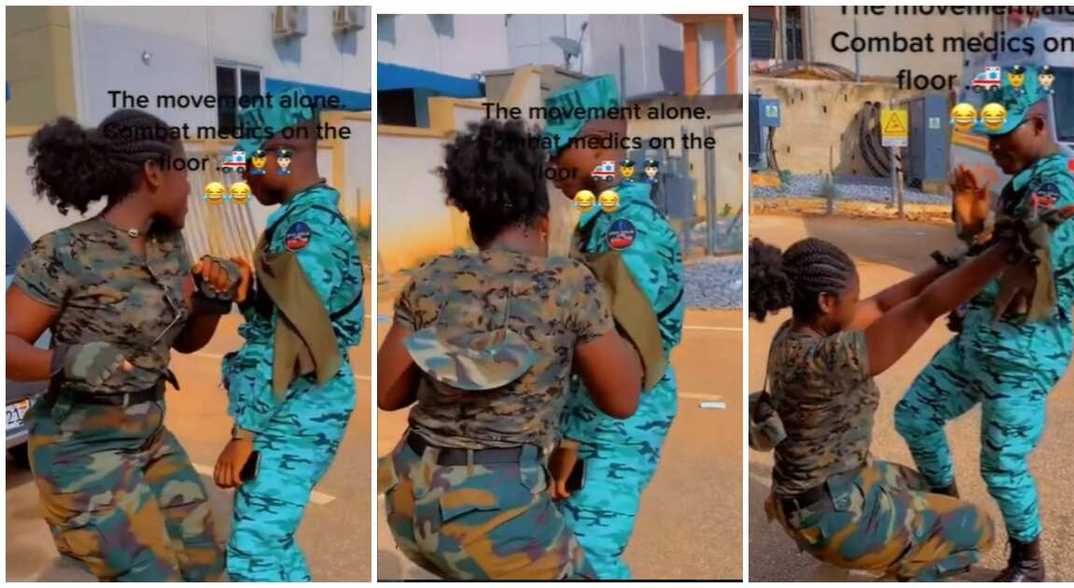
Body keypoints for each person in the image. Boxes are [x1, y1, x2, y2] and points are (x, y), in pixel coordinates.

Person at [746, 220, 1074, 580]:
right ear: (826, 302)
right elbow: (925, 308)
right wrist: (1005, 252)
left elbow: (883, 304)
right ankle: (863, 556)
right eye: (852, 298)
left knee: (923, 487)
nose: (858, 303)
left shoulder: (792, 335)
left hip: (807, 498)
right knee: (977, 530)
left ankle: (850, 553)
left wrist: (955, 262)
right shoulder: (829, 359)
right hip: (828, 517)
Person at [377, 118, 644, 580]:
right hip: (495, 512)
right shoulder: (567, 283)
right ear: (543, 221)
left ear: (470, 218)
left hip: (408, 498)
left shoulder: (430, 277)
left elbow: (388, 393)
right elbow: (622, 400)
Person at [5, 110, 228, 581]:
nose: (190, 186)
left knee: (205, 560)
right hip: (80, 448)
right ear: (153, 173)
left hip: (149, 436)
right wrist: (65, 361)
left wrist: (211, 303)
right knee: (150, 574)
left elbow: (187, 343)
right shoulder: (63, 251)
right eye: (183, 169)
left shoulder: (169, 245)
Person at [894, 65, 1074, 582]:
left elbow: (1025, 265)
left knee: (1001, 466)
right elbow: (991, 253)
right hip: (980, 343)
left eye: (1005, 135)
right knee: (914, 416)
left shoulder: (1056, 194)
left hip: (1023, 354)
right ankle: (949, 520)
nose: (995, 147)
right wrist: (973, 225)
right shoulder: (1021, 188)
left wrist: (974, 244)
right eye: (990, 137)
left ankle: (1028, 560)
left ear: (1038, 125)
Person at [209, 88, 365, 581]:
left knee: (253, 552)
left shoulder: (307, 232)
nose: (244, 175)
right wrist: (249, 293)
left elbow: (291, 339)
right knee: (269, 545)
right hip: (294, 400)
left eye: (250, 163)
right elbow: (292, 313)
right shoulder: (300, 223)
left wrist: (245, 433)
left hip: (298, 405)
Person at [542, 75, 685, 579]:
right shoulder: (602, 221)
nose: (551, 167)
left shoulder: (627, 230)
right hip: (597, 415)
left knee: (588, 563)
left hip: (614, 422)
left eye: (559, 151)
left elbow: (622, 347)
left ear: (599, 146)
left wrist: (573, 438)